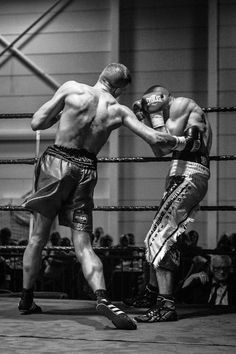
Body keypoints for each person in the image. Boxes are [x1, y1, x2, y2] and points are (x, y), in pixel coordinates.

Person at [18, 64, 188, 330]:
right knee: (83, 244)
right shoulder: (119, 110)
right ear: (120, 89)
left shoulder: (72, 88)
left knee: (38, 237)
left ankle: (27, 299)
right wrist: (175, 135)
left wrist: (62, 114)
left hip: (55, 163)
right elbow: (157, 140)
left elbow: (37, 123)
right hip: (85, 170)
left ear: (101, 76)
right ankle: (103, 297)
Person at [131, 84, 212, 322]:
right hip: (181, 176)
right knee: (157, 239)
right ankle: (154, 294)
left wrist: (153, 115)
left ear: (163, 97)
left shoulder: (181, 104)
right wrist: (146, 119)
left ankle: (165, 305)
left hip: (189, 175)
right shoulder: (172, 118)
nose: (151, 107)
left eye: (151, 103)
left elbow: (166, 140)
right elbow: (160, 150)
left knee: (159, 239)